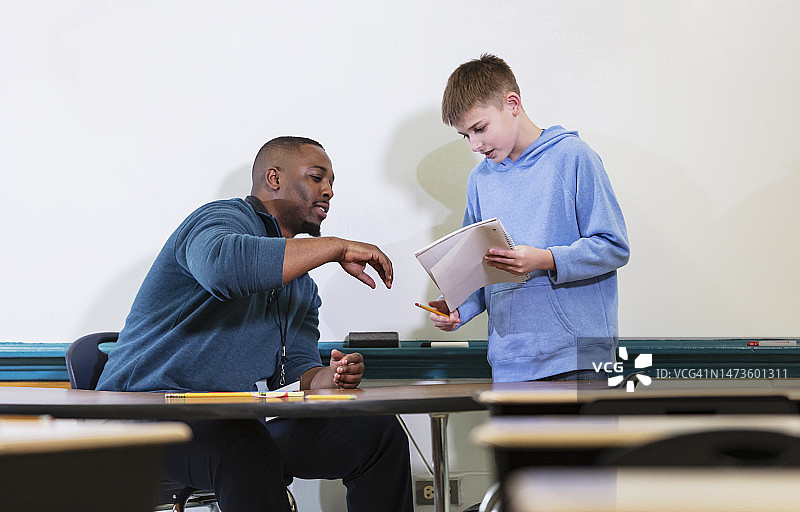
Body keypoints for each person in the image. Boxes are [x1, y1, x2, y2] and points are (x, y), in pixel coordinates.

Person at [97, 136, 413, 511]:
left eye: (331, 183)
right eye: (316, 177)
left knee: (376, 433)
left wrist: (331, 377)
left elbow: (294, 371)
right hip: (147, 415)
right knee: (243, 445)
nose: (328, 191)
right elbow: (224, 270)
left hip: (234, 419)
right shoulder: (218, 220)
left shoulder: (301, 287)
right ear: (274, 178)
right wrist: (336, 247)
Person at [427, 54, 630, 382]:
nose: (475, 145)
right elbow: (482, 268)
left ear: (512, 104)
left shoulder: (573, 157)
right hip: (510, 364)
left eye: (480, 128)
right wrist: (458, 309)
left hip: (580, 359)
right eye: (466, 135)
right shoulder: (480, 181)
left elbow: (614, 247)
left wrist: (544, 259)